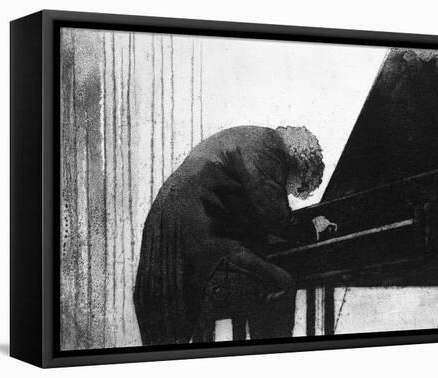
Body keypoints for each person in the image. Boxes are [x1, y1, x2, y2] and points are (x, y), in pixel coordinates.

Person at [134, 125, 330, 345]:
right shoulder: (268, 149)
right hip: (194, 242)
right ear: (301, 165)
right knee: (279, 285)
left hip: (176, 239)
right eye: (297, 187)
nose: (290, 193)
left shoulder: (253, 141)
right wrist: (312, 229)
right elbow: (276, 218)